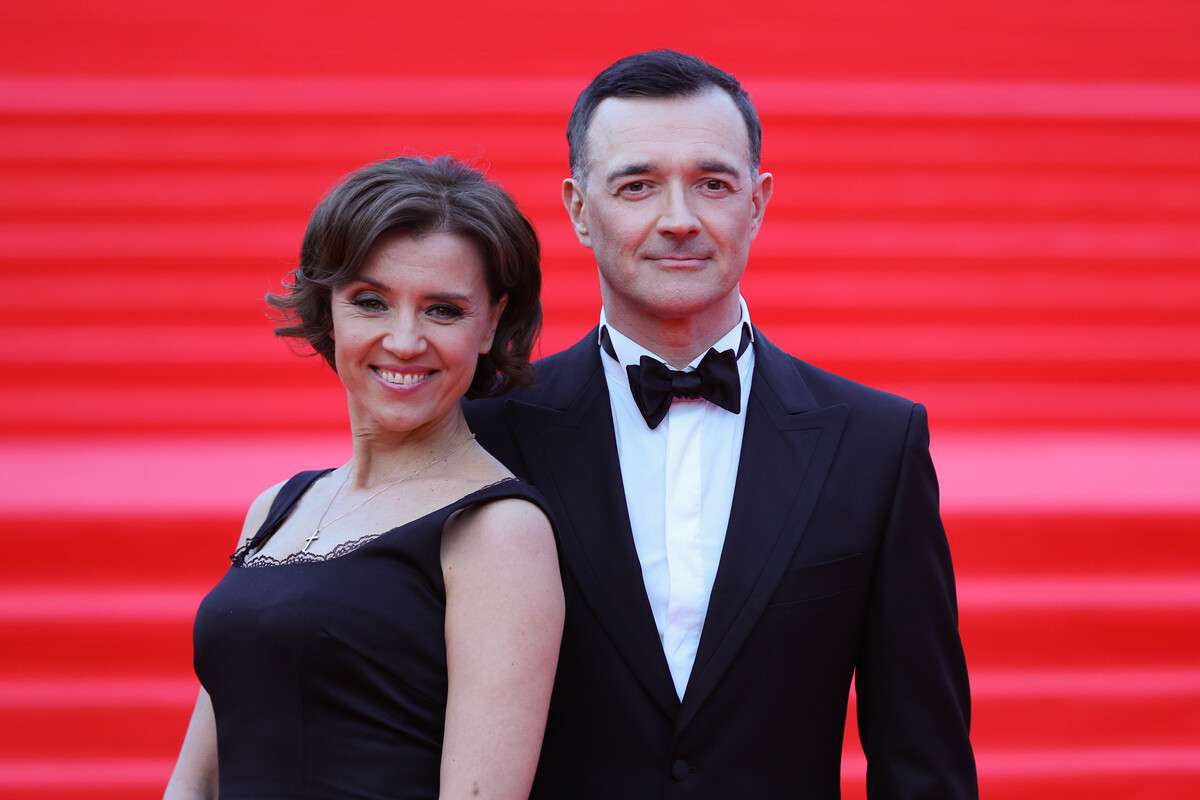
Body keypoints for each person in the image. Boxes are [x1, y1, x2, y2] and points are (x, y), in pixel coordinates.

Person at [465, 50, 978, 798]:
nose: (679, 221)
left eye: (713, 184)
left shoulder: (874, 444)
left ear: (757, 203)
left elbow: (922, 755)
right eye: (638, 186)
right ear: (578, 210)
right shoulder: (487, 431)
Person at [165, 156, 564, 800]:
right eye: (371, 302)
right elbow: (197, 779)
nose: (404, 341)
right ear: (329, 309)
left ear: (491, 322)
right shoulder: (278, 507)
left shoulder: (498, 531)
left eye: (443, 310)